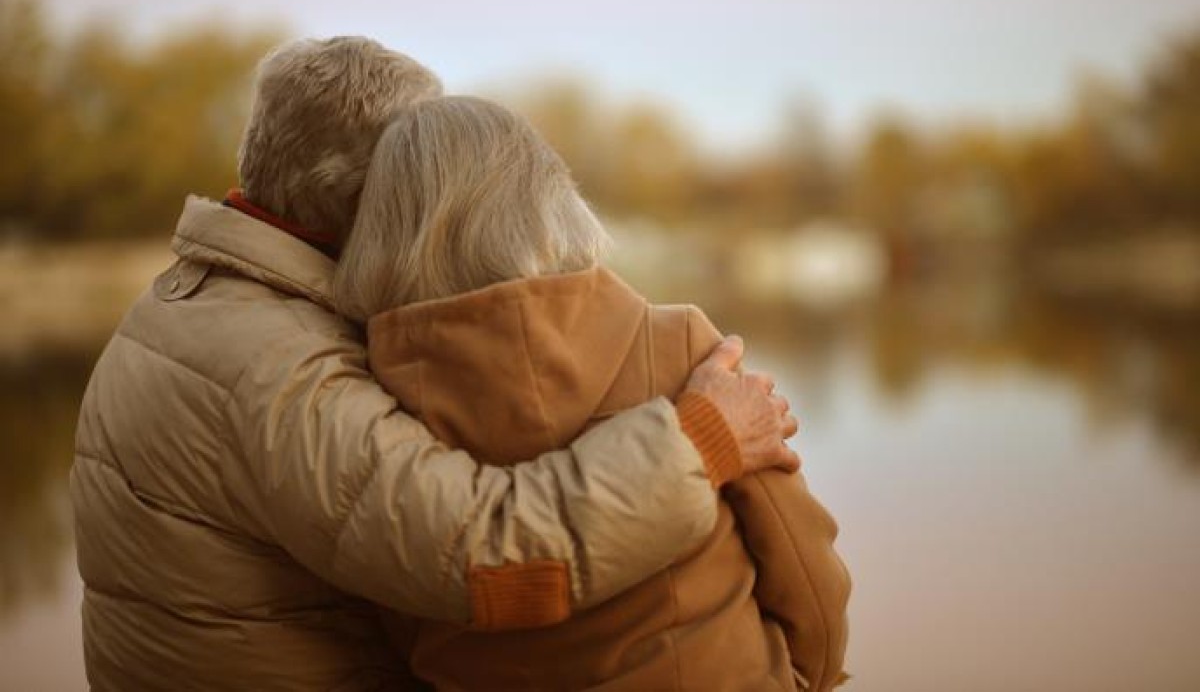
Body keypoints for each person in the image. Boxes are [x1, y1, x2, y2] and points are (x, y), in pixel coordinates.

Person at [70, 37, 800, 690]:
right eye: (419, 161)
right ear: (378, 192)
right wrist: (702, 438)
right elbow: (485, 559)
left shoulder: (193, 304)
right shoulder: (273, 367)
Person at [333, 95, 850, 691]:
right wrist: (804, 675)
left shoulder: (372, 398)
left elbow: (402, 611)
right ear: (544, 199)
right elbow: (804, 567)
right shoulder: (680, 347)